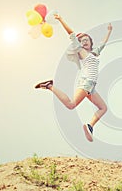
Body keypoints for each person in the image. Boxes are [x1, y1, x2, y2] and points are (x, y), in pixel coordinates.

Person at [34, 14, 112, 142]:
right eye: (82, 40)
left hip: (91, 86)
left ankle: (89, 126)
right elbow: (71, 33)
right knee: (71, 105)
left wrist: (109, 31)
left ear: (91, 43)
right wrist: (60, 20)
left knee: (103, 108)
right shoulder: (81, 50)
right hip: (86, 82)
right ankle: (49, 86)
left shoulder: (93, 53)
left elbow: (103, 44)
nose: (84, 41)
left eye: (87, 40)